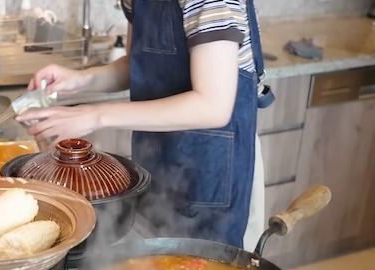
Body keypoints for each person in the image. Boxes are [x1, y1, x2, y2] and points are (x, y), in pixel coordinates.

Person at [15, 0, 274, 250]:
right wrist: (81, 80)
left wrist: (95, 115)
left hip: (215, 169)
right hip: (157, 158)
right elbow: (138, 63)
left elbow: (213, 106)